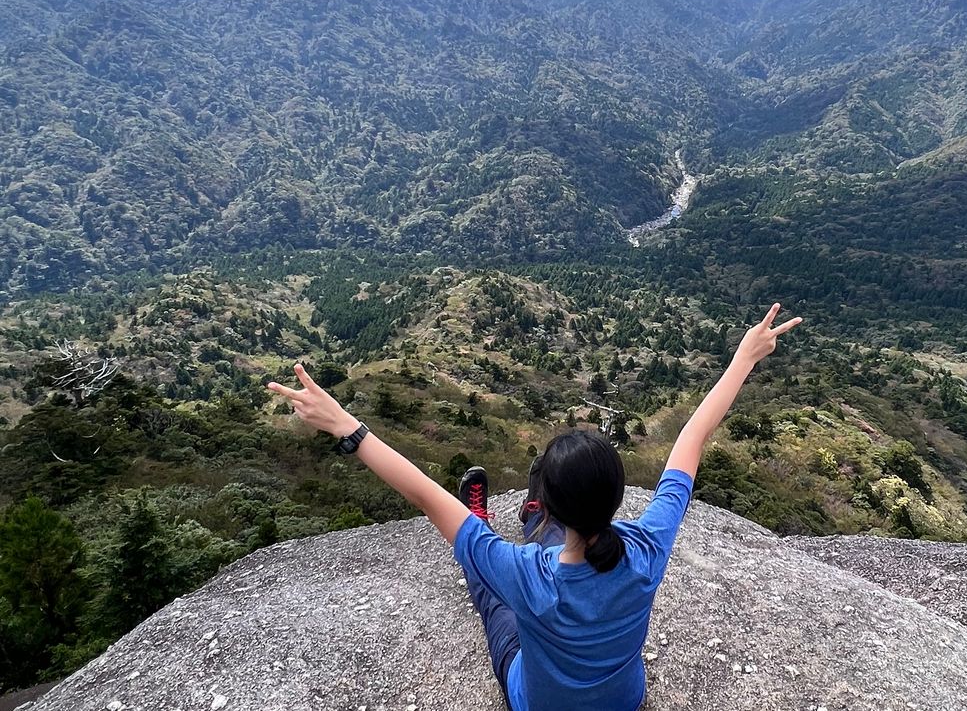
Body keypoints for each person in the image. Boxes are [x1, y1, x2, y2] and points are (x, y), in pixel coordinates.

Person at [268, 302, 803, 711]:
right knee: (531, 552)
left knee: (493, 597)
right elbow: (692, 437)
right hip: (625, 699)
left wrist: (345, 425)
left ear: (554, 499)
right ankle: (532, 518)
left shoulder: (526, 576)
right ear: (619, 496)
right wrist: (743, 359)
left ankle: (495, 522)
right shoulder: (647, 547)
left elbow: (427, 495)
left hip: (535, 701)